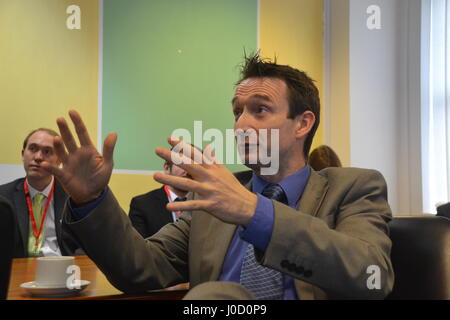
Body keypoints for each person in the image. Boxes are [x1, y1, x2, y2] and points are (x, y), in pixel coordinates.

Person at [42, 53, 394, 299]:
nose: (240, 124)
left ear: (303, 123)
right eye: (237, 112)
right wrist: (91, 200)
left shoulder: (354, 188)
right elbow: (140, 269)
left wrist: (255, 212)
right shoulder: (213, 204)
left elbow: (370, 276)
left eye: (259, 110)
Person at [0, 128, 83, 258]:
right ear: (23, 154)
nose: (38, 157)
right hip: (20, 271)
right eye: (32, 149)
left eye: (47, 151)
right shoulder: (3, 197)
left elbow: (85, 243)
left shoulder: (73, 196)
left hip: (63, 269)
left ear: (59, 160)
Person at [129, 160, 190, 238]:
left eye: (195, 166)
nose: (188, 171)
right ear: (167, 168)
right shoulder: (142, 204)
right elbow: (139, 247)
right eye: (183, 164)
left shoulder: (206, 205)